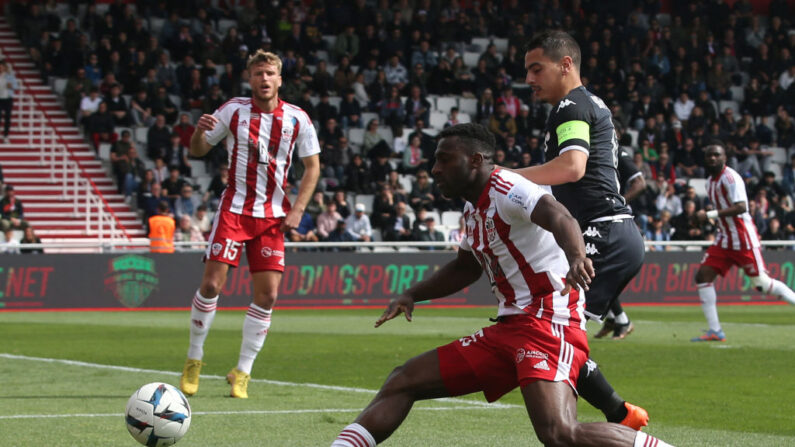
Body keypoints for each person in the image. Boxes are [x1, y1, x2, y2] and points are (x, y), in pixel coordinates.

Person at [330, 124, 671, 447]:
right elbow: (465, 268)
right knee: (403, 380)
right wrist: (412, 294)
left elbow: (558, 215)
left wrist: (577, 255)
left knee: (558, 433)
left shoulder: (507, 186)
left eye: (444, 159)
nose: (435, 169)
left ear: (475, 161)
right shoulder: (472, 207)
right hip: (510, 328)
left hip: (548, 322)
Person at [517, 30, 648, 426]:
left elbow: (571, 168)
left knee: (552, 334)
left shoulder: (571, 107)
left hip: (601, 234)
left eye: (536, 69)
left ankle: (613, 420)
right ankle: (615, 416)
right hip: (607, 232)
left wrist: (501, 176)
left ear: (566, 64)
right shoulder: (585, 104)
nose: (529, 79)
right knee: (555, 334)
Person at [179, 50, 320, 399]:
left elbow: (312, 167)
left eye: (270, 73)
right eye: (258, 73)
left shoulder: (297, 119)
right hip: (235, 210)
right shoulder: (233, 110)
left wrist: (298, 210)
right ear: (250, 78)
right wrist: (198, 133)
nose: (264, 79)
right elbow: (197, 151)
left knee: (268, 295)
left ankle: (242, 372)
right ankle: (194, 359)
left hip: (273, 217)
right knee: (211, 285)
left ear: (280, 79)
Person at [691, 142, 795, 342]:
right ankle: (715, 331)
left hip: (743, 238)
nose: (712, 158)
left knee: (763, 285)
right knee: (703, 276)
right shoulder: (710, 182)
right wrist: (708, 219)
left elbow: (741, 207)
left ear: (724, 158)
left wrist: (709, 214)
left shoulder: (731, 178)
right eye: (709, 155)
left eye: (716, 155)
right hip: (724, 239)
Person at [0, 60, 18, 142]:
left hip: (7, 98)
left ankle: (6, 136)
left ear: (4, 67)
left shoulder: (9, 76)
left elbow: (15, 86)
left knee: (7, 118)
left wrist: (11, 86)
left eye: (1, 67)